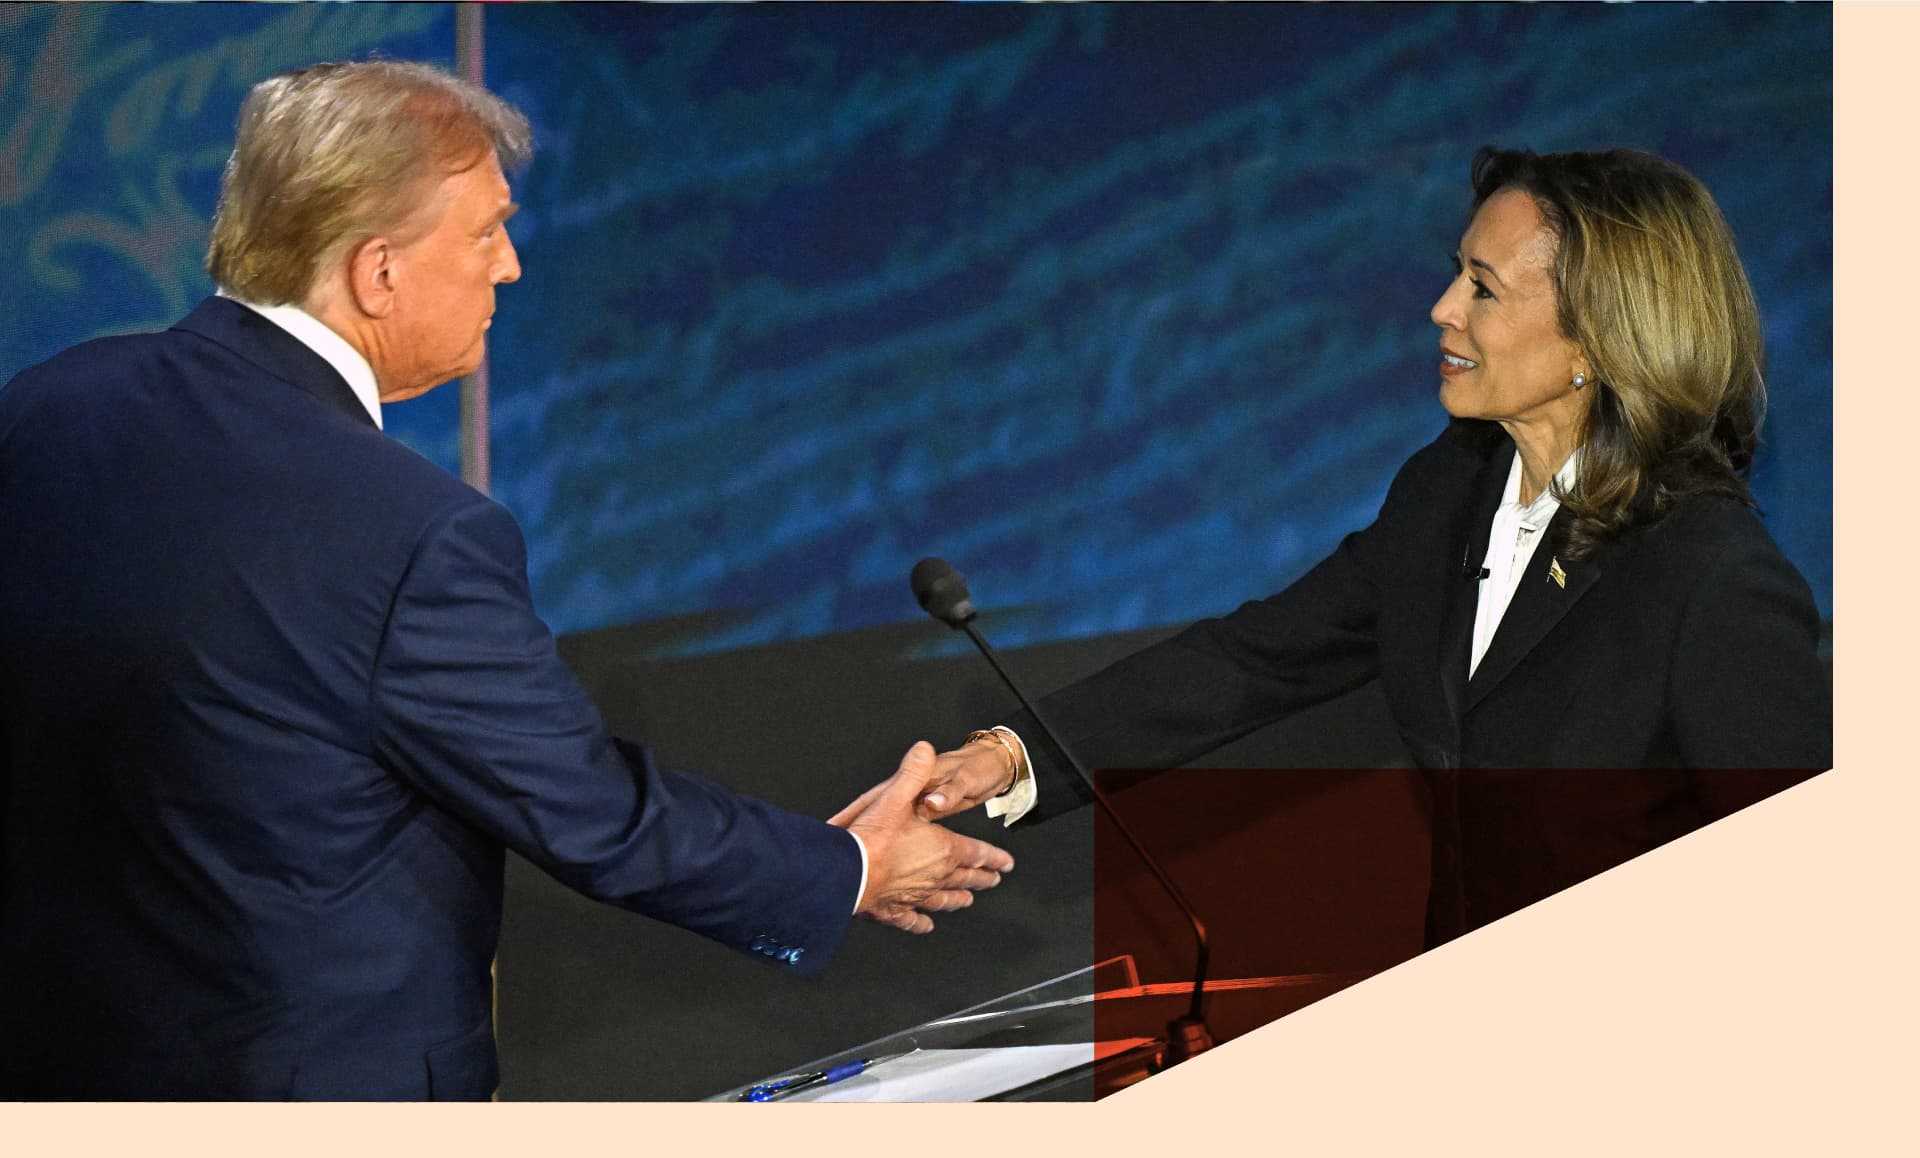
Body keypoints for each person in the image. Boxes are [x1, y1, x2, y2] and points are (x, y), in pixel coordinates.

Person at [0, 60, 1012, 1101]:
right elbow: (594, 814)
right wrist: (845, 870)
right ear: (376, 272)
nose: (513, 266)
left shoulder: (42, 411)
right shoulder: (411, 531)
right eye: (485, 232)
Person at [911, 147, 1830, 946]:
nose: (1442, 308)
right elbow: (1256, 659)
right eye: (1454, 273)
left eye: (1483, 286)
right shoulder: (1450, 488)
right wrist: (1012, 756)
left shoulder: (1713, 577)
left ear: (1600, 331)